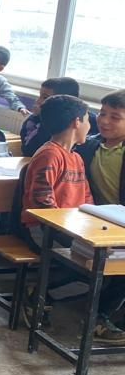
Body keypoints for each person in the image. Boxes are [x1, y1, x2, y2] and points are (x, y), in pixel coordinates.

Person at [19, 94, 125, 344]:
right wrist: (72, 229)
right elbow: (43, 201)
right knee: (92, 264)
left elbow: (86, 198)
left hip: (86, 225)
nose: (102, 122)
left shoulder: (76, 156)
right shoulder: (61, 152)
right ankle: (42, 293)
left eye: (115, 117)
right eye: (99, 115)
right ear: (77, 122)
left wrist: (89, 223)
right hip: (52, 228)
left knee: (111, 263)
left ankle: (97, 316)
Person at [20, 77, 98, 157]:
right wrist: (46, 118)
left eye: (45, 97)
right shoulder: (34, 120)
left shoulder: (87, 119)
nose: (37, 101)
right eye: (40, 96)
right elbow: (28, 151)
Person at [77, 89, 125, 206]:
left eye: (115, 117)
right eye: (102, 114)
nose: (104, 121)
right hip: (93, 212)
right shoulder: (86, 145)